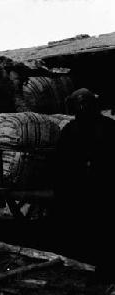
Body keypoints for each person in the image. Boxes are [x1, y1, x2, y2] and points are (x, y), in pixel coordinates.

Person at [53, 88, 115, 286]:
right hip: (84, 187)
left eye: (85, 105)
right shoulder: (71, 130)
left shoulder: (106, 127)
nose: (83, 109)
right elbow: (61, 161)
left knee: (100, 227)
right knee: (93, 227)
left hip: (100, 185)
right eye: (80, 106)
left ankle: (100, 268)